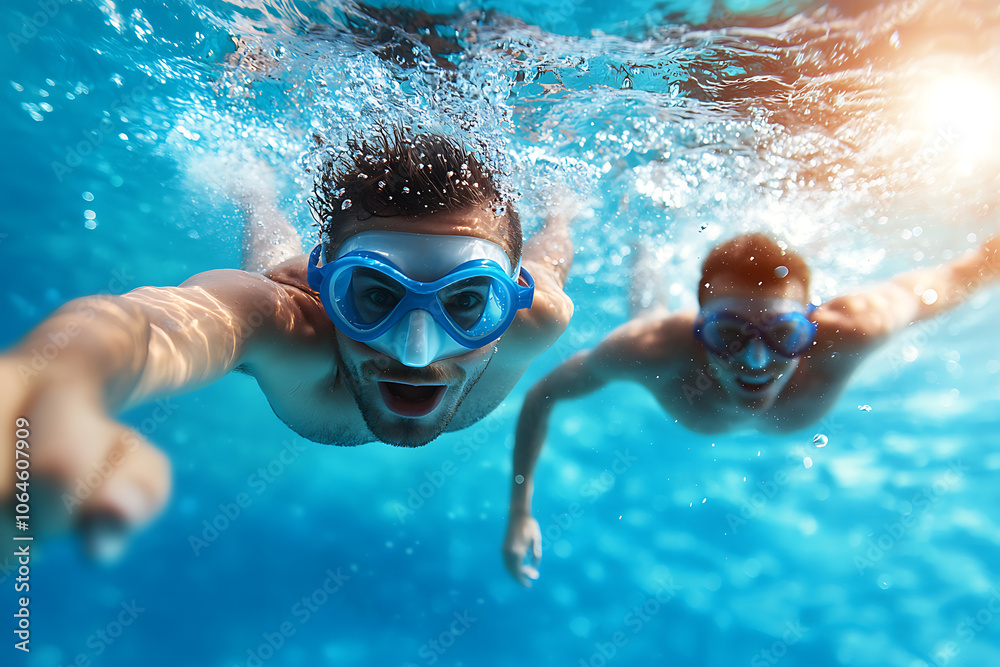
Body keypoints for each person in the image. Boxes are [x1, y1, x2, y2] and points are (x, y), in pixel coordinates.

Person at [0, 130, 575, 557]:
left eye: (467, 301)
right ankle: (257, 194)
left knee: (556, 242)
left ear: (512, 297)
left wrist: (561, 222)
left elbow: (550, 262)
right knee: (269, 251)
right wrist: (62, 377)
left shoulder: (538, 315)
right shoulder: (290, 324)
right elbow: (169, 320)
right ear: (328, 289)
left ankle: (566, 206)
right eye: (375, 297)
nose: (414, 353)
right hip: (291, 277)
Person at [502, 231, 1000, 585]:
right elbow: (542, 394)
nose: (756, 361)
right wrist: (520, 510)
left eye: (784, 334)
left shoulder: (854, 329)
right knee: (646, 309)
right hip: (663, 333)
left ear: (811, 327)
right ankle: (642, 246)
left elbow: (957, 277)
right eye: (729, 334)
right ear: (700, 328)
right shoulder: (653, 348)